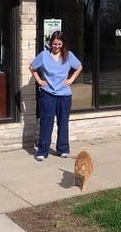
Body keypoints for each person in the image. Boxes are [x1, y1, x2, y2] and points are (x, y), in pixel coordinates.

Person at [29, 31, 83, 161]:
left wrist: (71, 80)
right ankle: (42, 151)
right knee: (46, 123)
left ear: (63, 44)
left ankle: (63, 149)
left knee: (63, 123)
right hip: (47, 94)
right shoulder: (44, 55)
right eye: (54, 44)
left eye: (59, 44)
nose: (56, 46)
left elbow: (79, 67)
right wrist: (40, 81)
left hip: (64, 95)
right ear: (50, 43)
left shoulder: (68, 55)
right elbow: (32, 67)